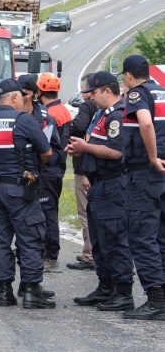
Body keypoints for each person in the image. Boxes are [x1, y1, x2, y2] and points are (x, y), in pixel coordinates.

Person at [0, 78, 54, 309]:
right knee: (30, 239)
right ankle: (30, 291)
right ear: (16, 97)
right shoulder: (23, 120)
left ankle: (5, 291)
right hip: (20, 190)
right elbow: (47, 152)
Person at [67, 71, 134, 312]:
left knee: (114, 238)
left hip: (113, 184)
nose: (91, 98)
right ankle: (105, 287)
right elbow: (96, 145)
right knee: (99, 240)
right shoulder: (100, 114)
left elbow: (116, 152)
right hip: (98, 183)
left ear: (107, 90)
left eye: (94, 93)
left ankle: (123, 291)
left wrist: (86, 147)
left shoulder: (117, 116)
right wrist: (83, 151)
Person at [118, 54, 165, 320]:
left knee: (143, 237)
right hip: (162, 176)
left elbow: (145, 122)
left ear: (127, 76)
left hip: (145, 175)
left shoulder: (138, 94)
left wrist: (151, 157)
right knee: (161, 237)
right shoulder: (162, 92)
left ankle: (156, 300)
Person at [37, 72, 71, 271]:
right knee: (50, 211)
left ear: (40, 91)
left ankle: (49, 254)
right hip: (57, 168)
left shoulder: (49, 114)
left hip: (49, 169)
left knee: (47, 212)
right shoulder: (63, 110)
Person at [67, 75, 99, 270]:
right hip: (103, 168)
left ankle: (90, 254)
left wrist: (71, 131)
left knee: (86, 211)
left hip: (85, 166)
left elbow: (78, 126)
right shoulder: (111, 109)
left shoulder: (87, 106)